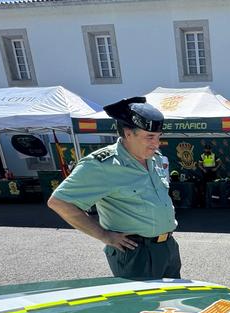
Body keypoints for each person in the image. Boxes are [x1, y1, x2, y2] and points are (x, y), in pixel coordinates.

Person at [48, 96, 181, 279]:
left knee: (172, 305)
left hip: (167, 247)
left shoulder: (154, 158)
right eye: (149, 137)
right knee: (140, 306)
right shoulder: (103, 164)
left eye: (158, 137)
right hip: (136, 253)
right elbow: (60, 202)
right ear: (128, 133)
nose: (156, 143)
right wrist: (104, 236)